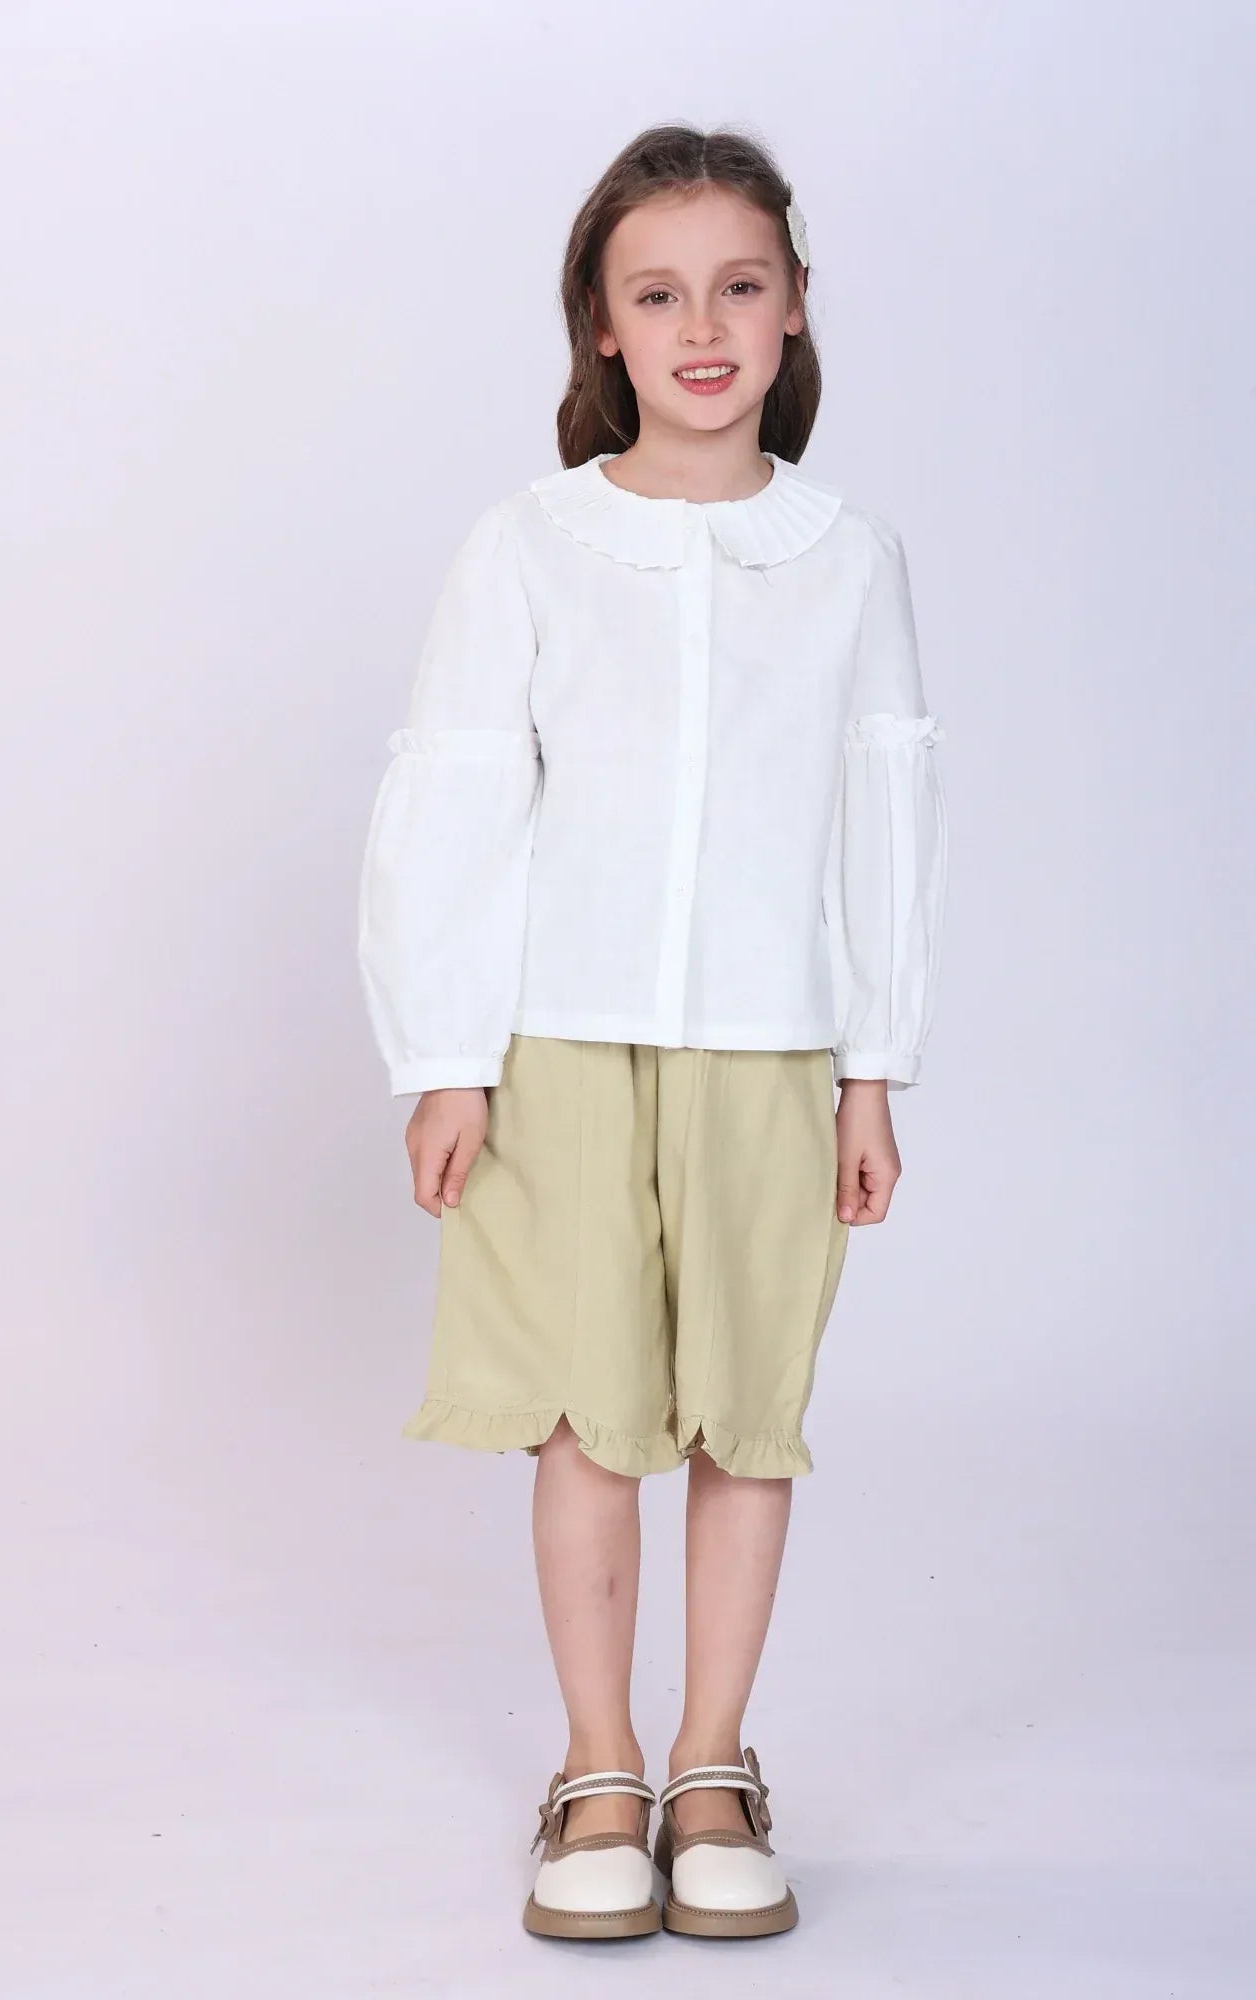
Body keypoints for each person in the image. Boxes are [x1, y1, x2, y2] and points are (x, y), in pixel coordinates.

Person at [355, 122, 950, 1942]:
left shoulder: (849, 557)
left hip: (772, 1049)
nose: (703, 327)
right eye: (660, 293)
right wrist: (445, 1057)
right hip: (562, 1046)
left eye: (738, 287)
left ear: (793, 309)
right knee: (589, 1417)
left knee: (747, 1418)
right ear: (601, 327)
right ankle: (599, 1763)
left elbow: (886, 820)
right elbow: (457, 795)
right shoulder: (531, 545)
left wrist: (873, 1067)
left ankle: (713, 1761)